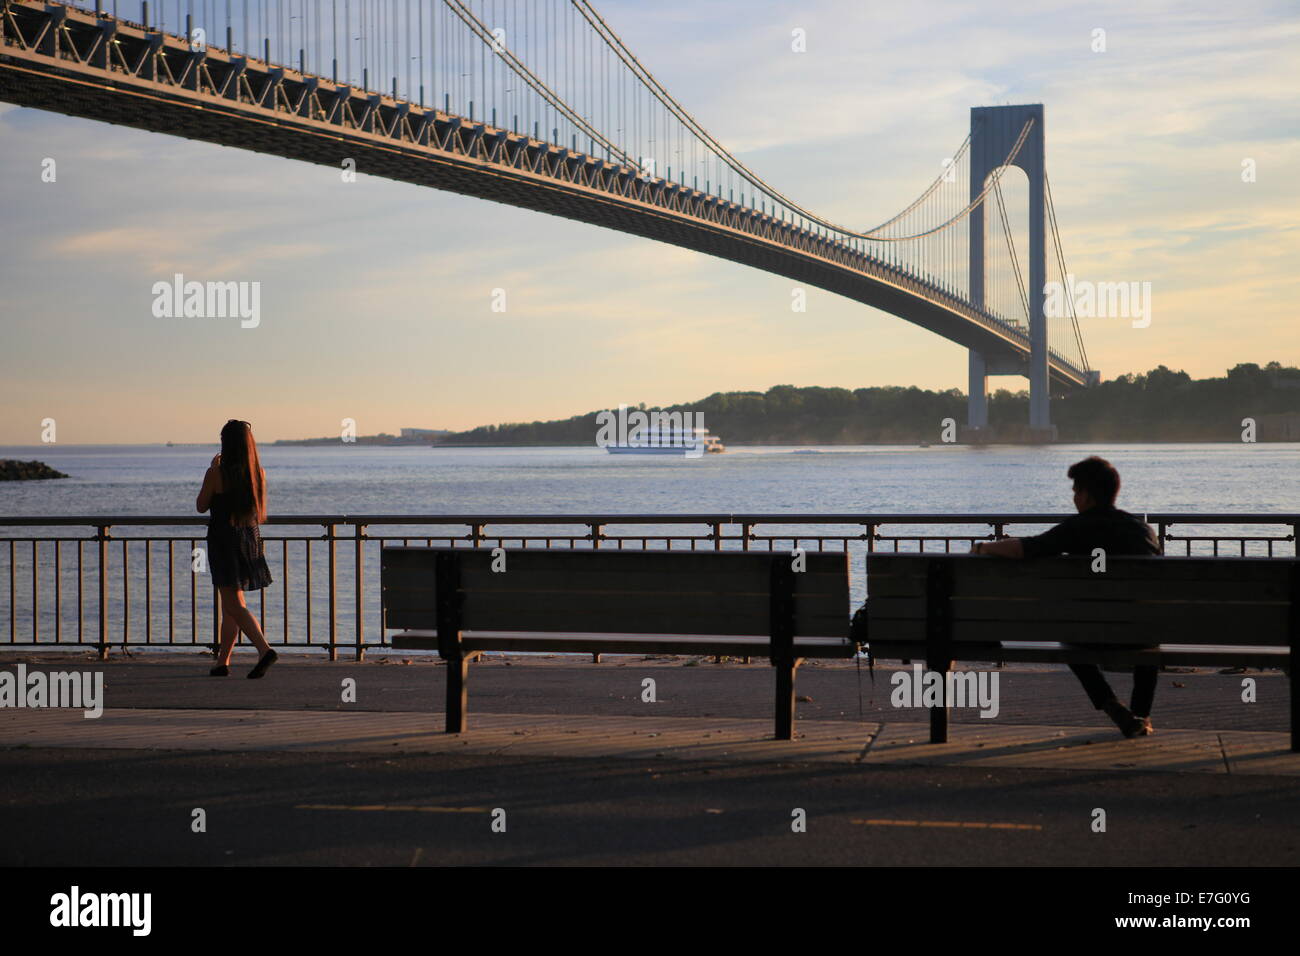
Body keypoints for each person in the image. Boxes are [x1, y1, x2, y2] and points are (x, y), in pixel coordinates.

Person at [972, 455, 1160, 738]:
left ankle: (1112, 706)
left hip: (1092, 632)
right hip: (1140, 631)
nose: (1074, 498)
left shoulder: (1079, 527)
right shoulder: (1143, 530)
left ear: (1085, 495)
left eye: (1075, 491)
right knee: (1149, 638)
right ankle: (1141, 715)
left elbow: (1027, 548)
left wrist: (984, 547)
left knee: (1070, 640)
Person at [195, 419, 277, 679]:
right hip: (248, 540)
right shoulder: (257, 473)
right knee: (231, 603)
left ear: (225, 443)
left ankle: (265, 650)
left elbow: (201, 505)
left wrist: (211, 469)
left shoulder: (217, 473)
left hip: (223, 542)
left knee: (233, 604)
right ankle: (223, 662)